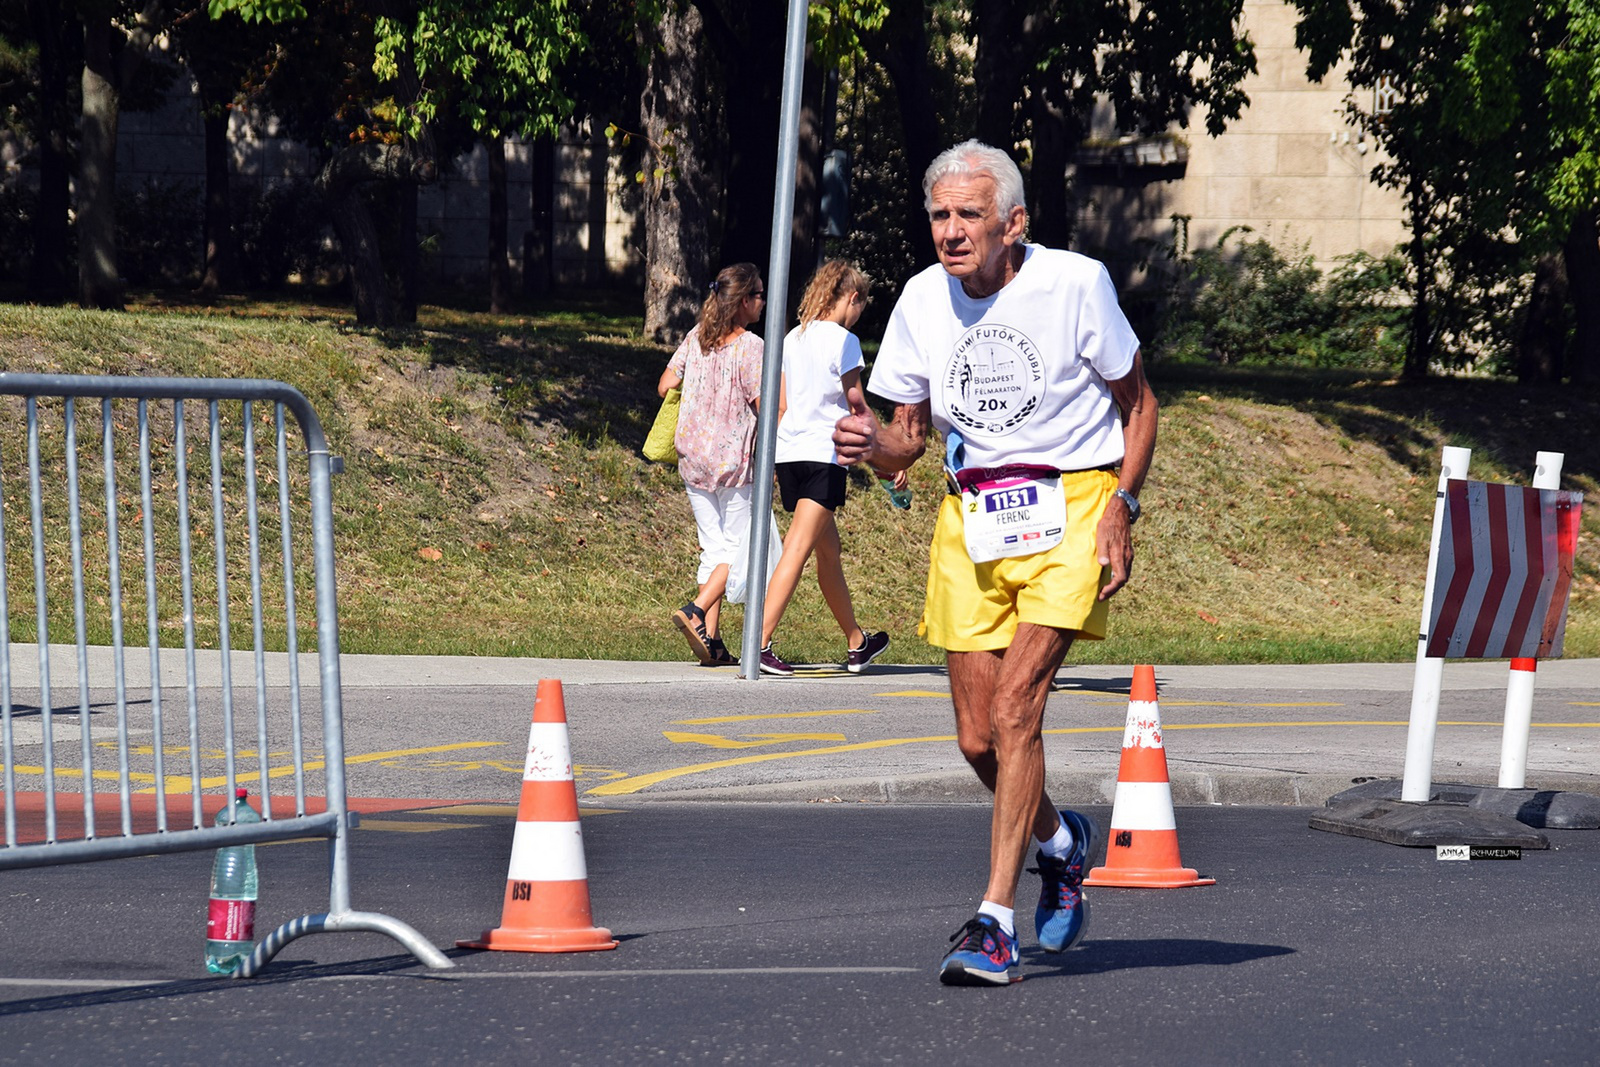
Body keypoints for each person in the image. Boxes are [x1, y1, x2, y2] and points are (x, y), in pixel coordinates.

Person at [832, 140, 1158, 986]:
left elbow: (1140, 403)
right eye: (939, 214)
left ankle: (994, 921)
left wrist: (1122, 506)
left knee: (1019, 708)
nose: (949, 230)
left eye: (968, 214)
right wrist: (876, 446)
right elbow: (910, 436)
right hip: (972, 516)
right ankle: (1062, 840)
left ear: (1013, 222)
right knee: (979, 739)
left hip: (1072, 507)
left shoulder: (1075, 284)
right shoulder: (920, 300)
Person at [757, 260, 894, 677]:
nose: (858, 317)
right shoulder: (845, 341)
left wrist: (774, 460)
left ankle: (857, 643)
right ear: (852, 298)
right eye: (860, 307)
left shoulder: (793, 338)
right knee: (798, 550)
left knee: (828, 553)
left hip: (790, 455)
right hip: (824, 455)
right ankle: (758, 642)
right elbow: (856, 404)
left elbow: (779, 405)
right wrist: (885, 458)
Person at [660, 263, 766, 667]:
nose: (762, 300)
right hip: (732, 460)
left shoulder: (696, 337)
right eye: (757, 294)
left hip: (693, 457)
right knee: (740, 550)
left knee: (713, 548)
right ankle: (696, 609)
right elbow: (765, 406)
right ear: (741, 302)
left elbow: (665, 383)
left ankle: (711, 640)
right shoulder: (750, 347)